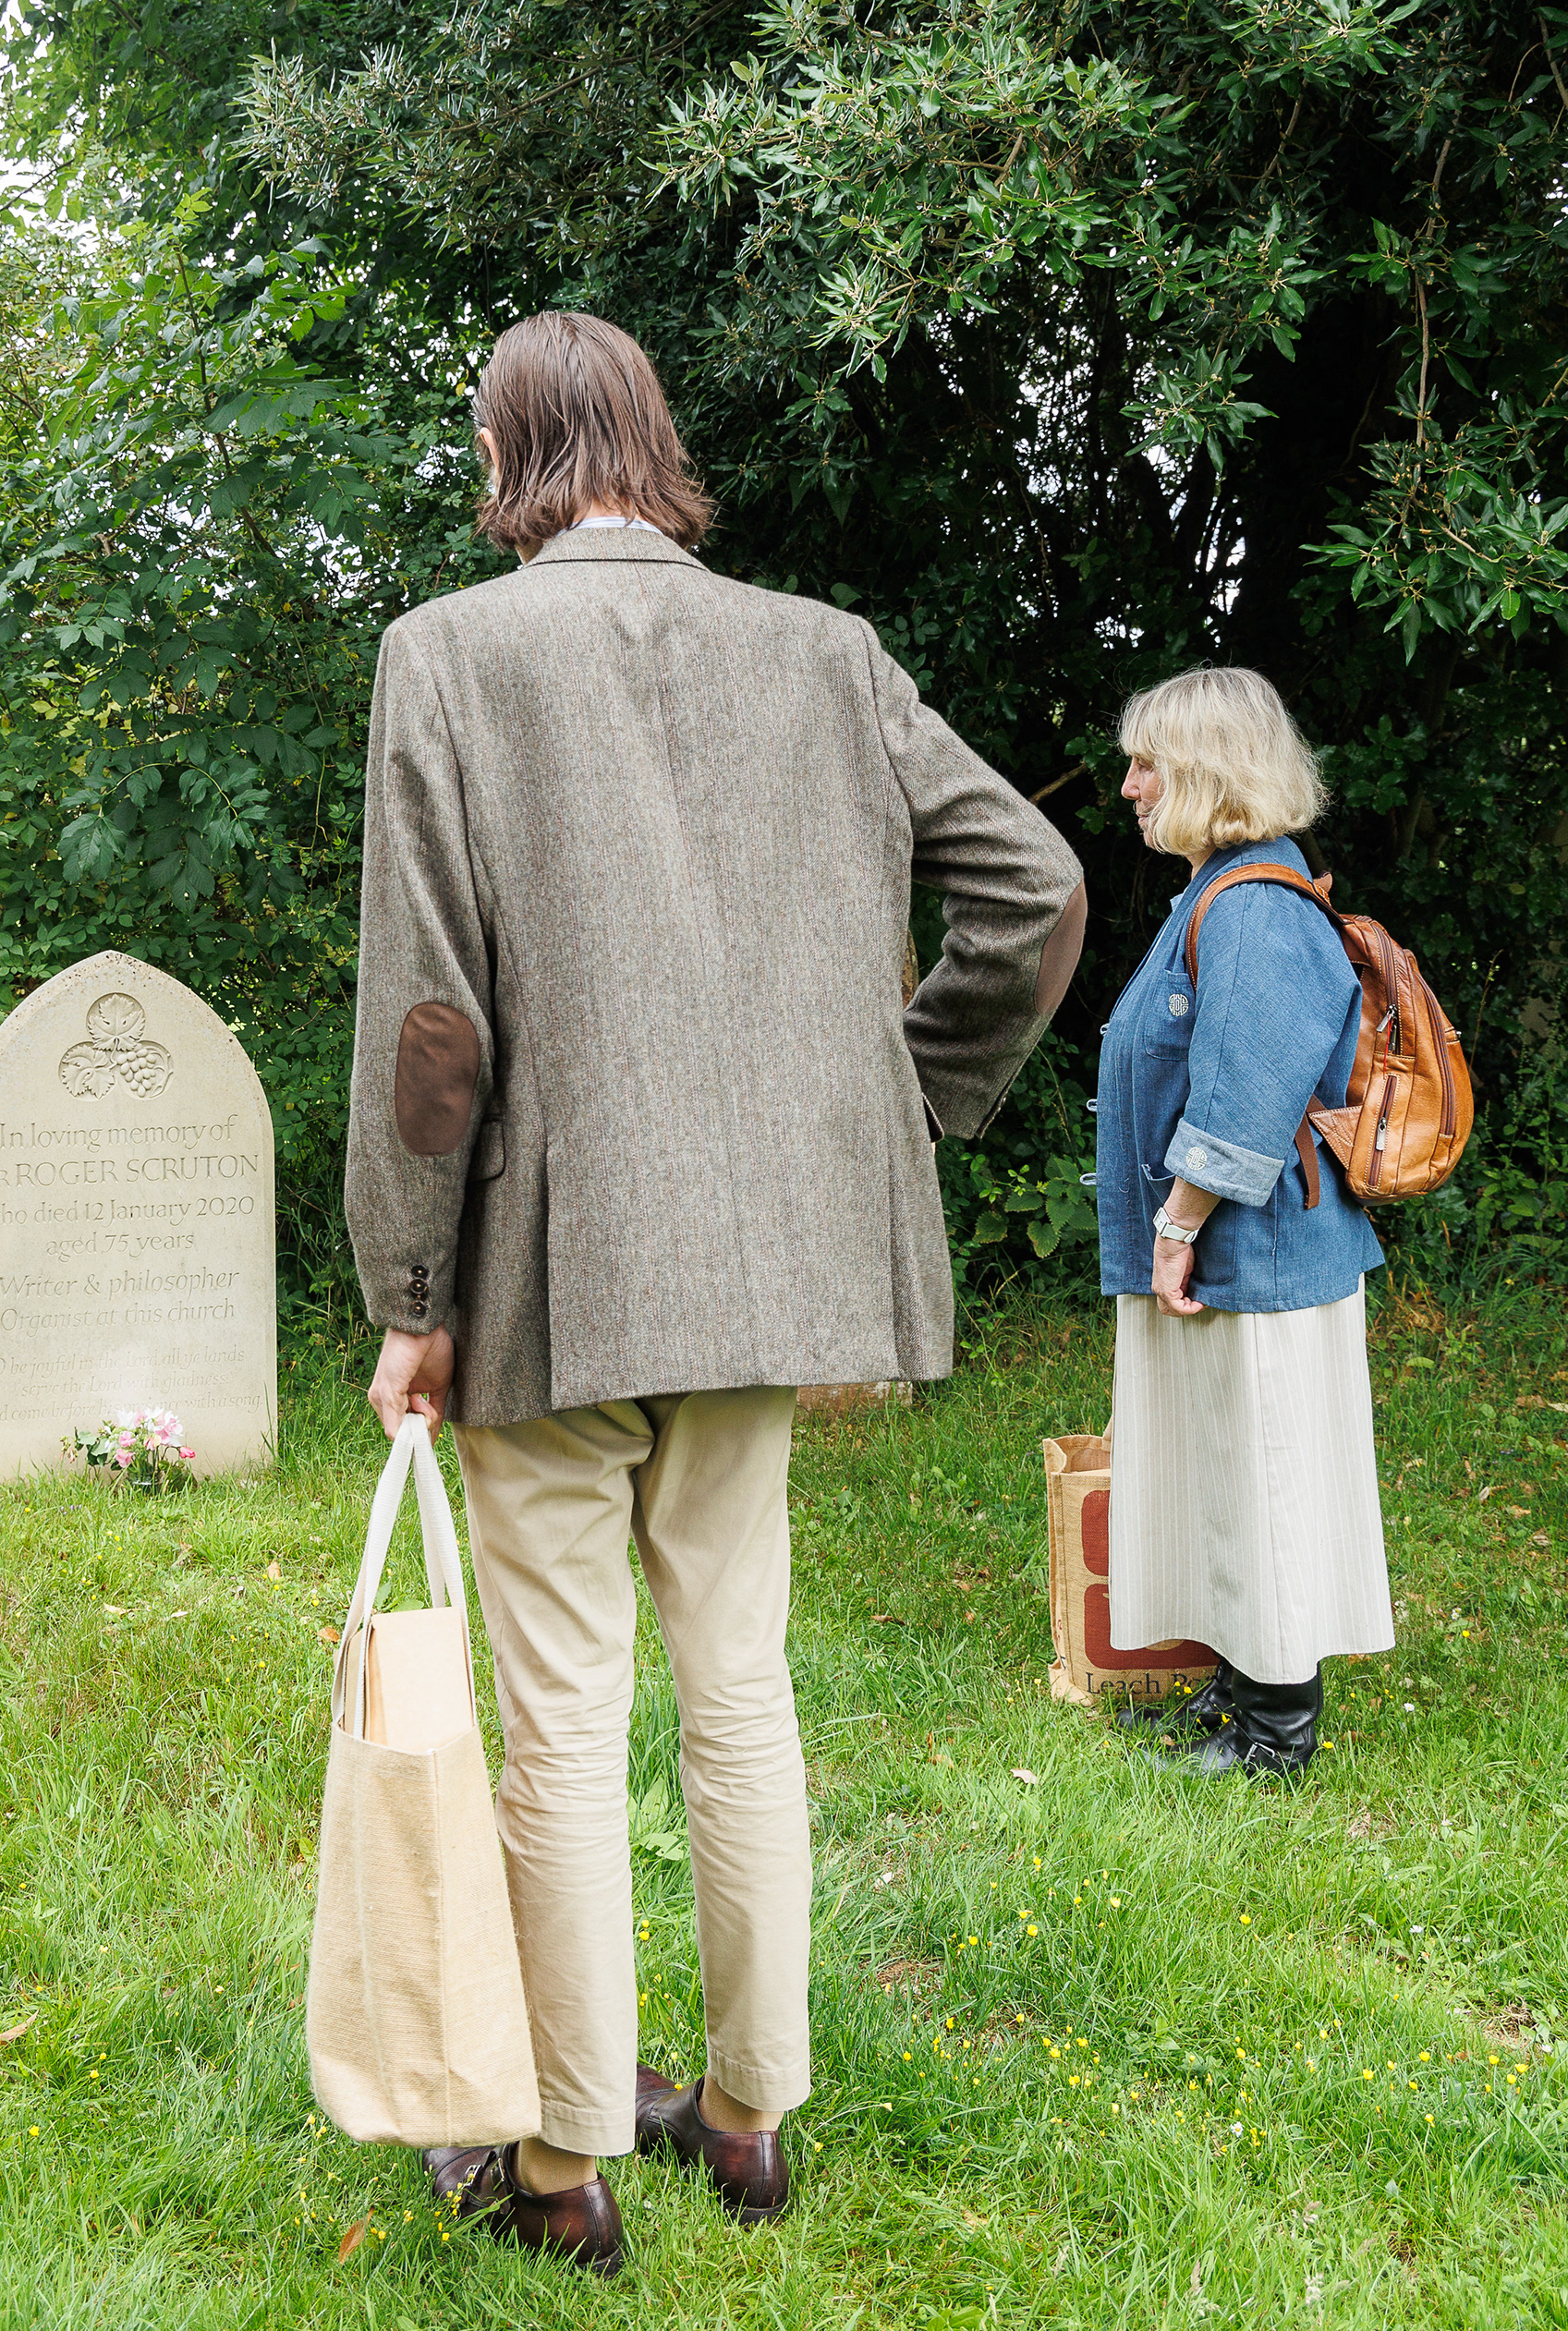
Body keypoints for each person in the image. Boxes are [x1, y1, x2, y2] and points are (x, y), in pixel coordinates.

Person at [344, 310, 1086, 2274]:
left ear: (509, 455)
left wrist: (408, 1286)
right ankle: (750, 2119)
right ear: (653, 443)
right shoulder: (826, 653)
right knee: (739, 1687)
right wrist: (886, 1113)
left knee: (566, 1715)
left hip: (553, 1278)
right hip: (761, 1267)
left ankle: (568, 2161)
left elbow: (431, 1020)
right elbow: (1037, 884)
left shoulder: (449, 654)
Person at [1096, 665, 1393, 1779]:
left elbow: (1246, 1099)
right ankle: (1237, 1693)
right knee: (1226, 1467)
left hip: (1255, 1255)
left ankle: (1277, 1735)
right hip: (1230, 1252)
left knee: (1264, 1471)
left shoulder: (1259, 909)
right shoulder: (1218, 893)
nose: (1129, 785)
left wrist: (1178, 1223)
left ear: (1210, 774)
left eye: (1149, 764)